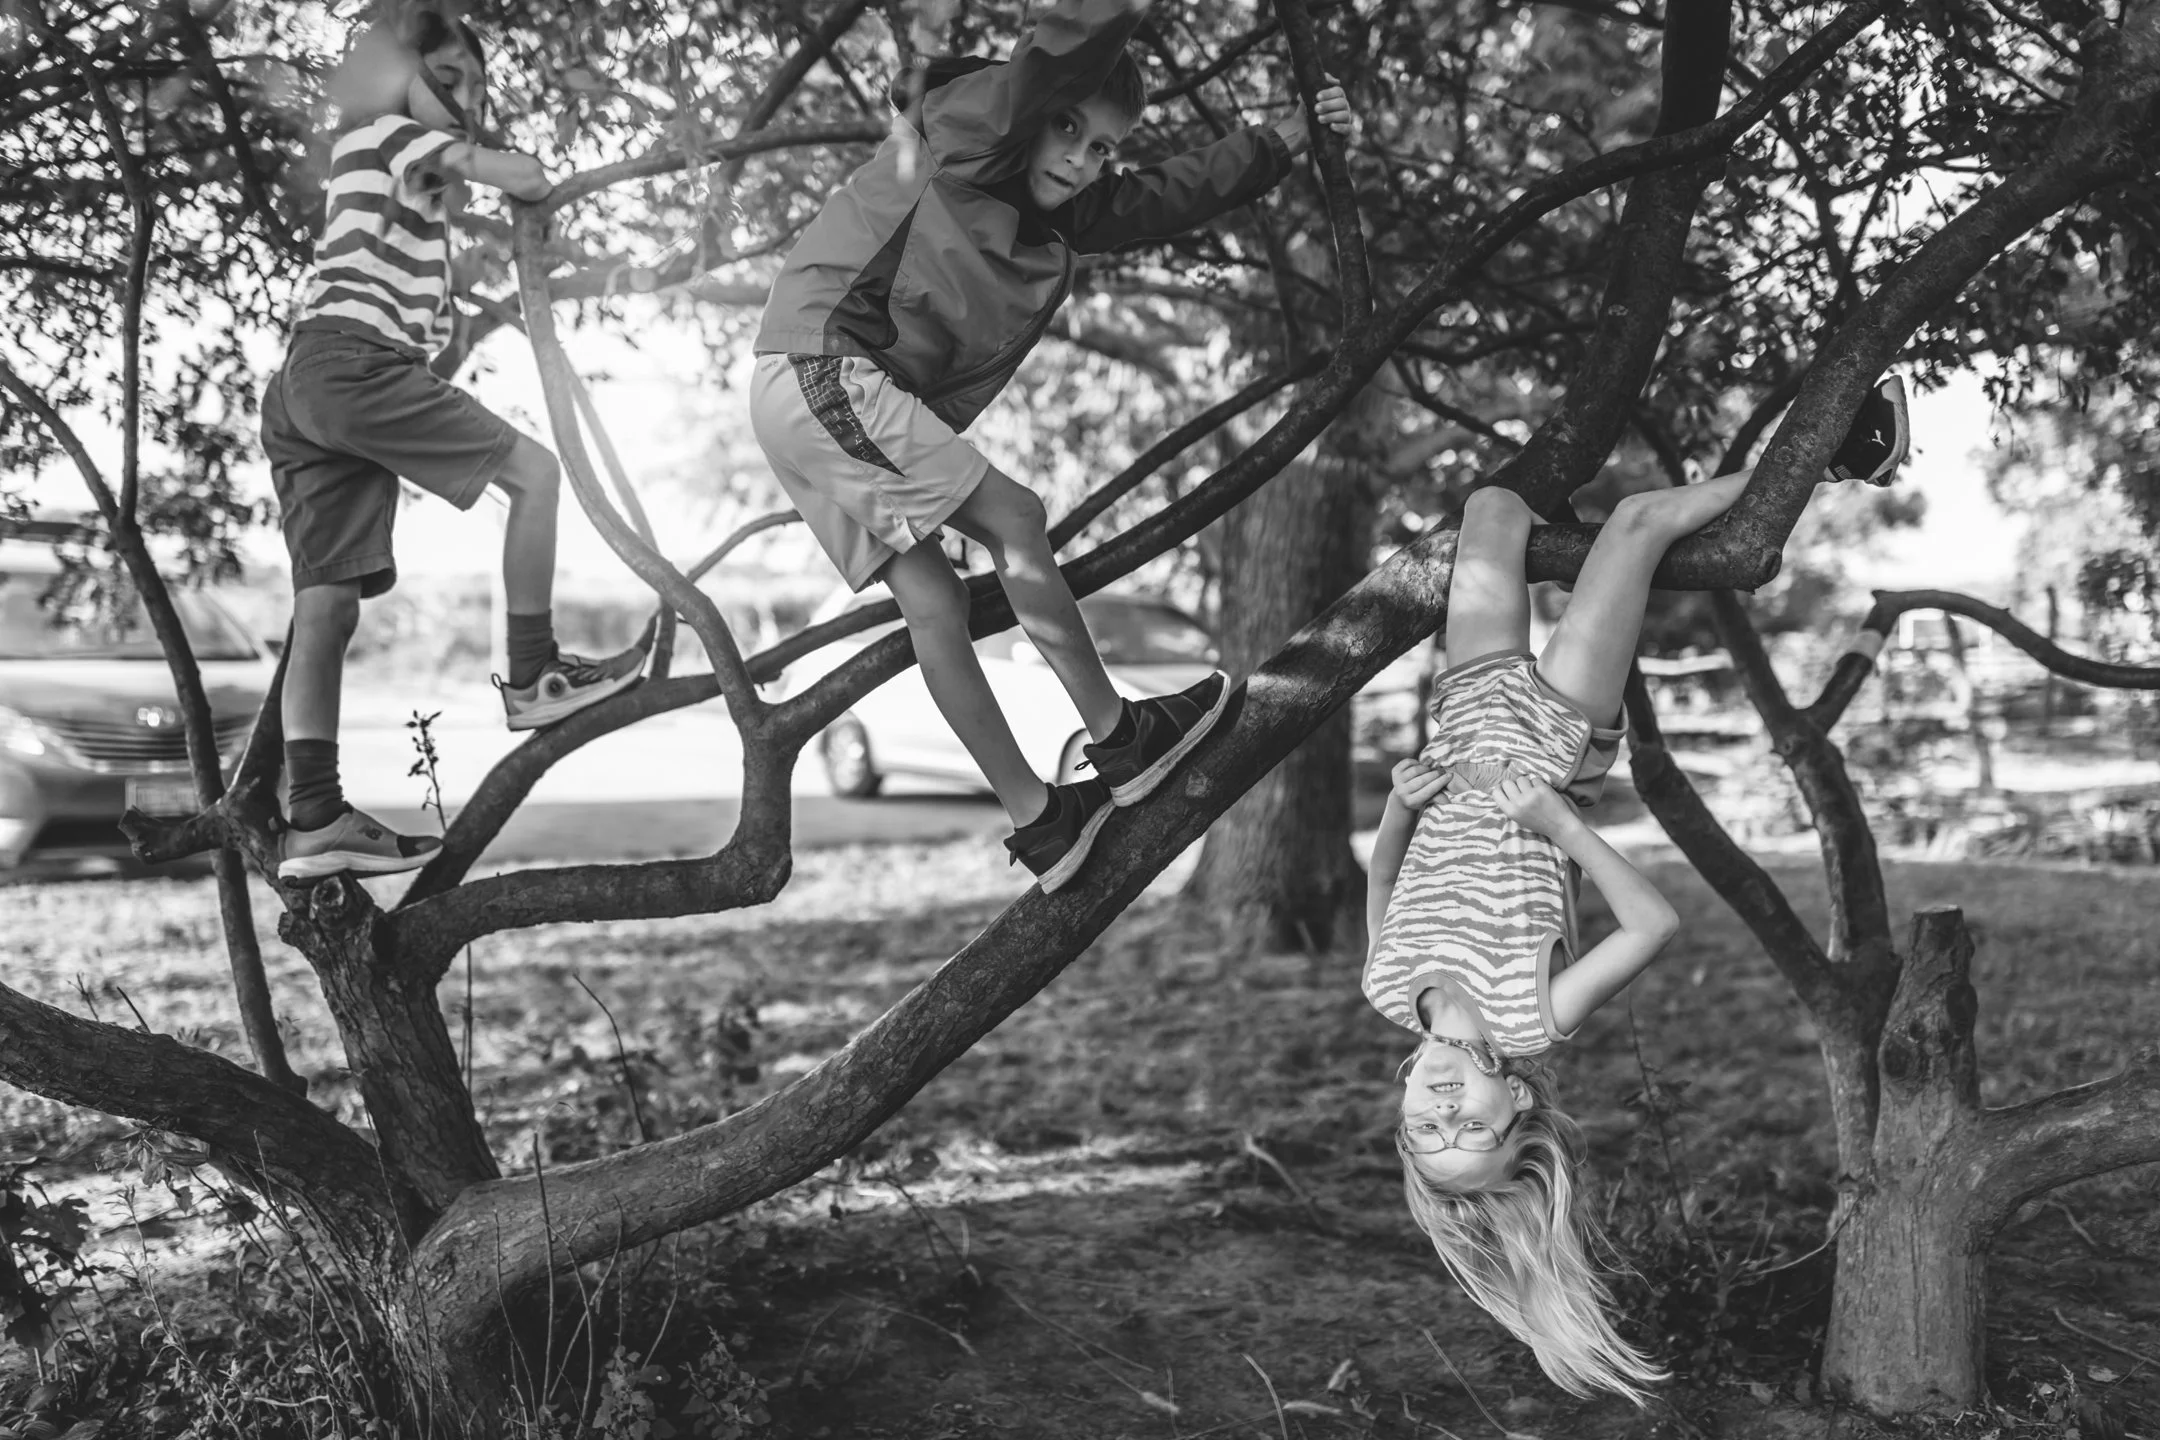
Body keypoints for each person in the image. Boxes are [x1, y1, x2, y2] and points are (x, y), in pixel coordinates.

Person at [1364, 378, 1911, 1400]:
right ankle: (1840, 456)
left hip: (1465, 713)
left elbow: (1388, 886)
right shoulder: (1537, 1014)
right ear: (1515, 1100)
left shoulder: (1390, 991)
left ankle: (1551, 525)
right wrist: (1559, 822)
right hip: (1558, 730)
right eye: (1473, 1130)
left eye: (1426, 1132)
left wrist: (1399, 806)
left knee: (1489, 511)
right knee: (1642, 523)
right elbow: (1652, 922)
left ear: (1401, 1109)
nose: (1445, 1113)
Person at [750, 0, 1357, 892]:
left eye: (1104, 146)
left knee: (936, 606)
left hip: (809, 395)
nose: (1080, 156)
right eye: (1067, 127)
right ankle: (1121, 739)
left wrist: (1282, 139)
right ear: (1028, 113)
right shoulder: (967, 131)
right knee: (1017, 518)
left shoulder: (1064, 208)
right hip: (823, 365)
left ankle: (1040, 822)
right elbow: (1062, 48)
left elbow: (1170, 194)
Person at [261, 4, 644, 881]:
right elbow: (522, 173)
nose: (470, 101)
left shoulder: (403, 199)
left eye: (480, 86)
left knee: (328, 608)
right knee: (536, 476)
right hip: (352, 367)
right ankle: (535, 673)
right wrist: (518, 176)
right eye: (453, 80)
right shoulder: (383, 135)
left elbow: (442, 254)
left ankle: (313, 815)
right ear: (402, 79)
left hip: (309, 385)